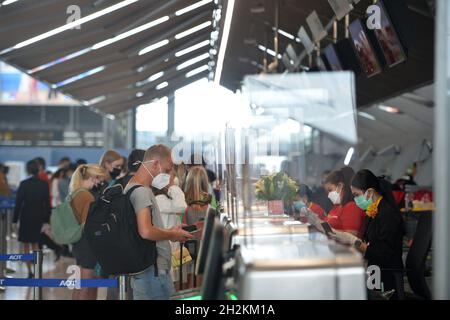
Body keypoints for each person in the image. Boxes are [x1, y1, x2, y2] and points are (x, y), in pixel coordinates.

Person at [124, 144, 193, 300]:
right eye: (167, 170)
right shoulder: (141, 191)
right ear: (154, 164)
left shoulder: (136, 187)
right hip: (152, 272)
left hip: (152, 271)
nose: (170, 176)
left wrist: (170, 231)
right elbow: (146, 231)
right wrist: (172, 233)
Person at [329, 169, 404, 299]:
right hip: (375, 268)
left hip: (386, 272)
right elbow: (371, 242)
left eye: (357, 195)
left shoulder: (388, 215)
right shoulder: (373, 211)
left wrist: (355, 242)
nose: (355, 199)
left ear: (369, 192)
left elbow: (383, 254)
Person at [69, 164, 108, 300]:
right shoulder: (87, 196)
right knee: (85, 285)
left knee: (81, 285)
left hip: (80, 243)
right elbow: (88, 224)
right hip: (87, 244)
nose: (100, 182)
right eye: (98, 179)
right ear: (92, 177)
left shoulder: (78, 192)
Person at [13, 160, 51, 278]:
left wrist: (14, 220)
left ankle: (29, 270)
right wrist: (46, 221)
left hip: (26, 216)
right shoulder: (44, 184)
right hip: (38, 217)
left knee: (26, 244)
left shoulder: (24, 184)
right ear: (38, 170)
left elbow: (18, 203)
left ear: (28, 170)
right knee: (35, 243)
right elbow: (47, 205)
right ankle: (37, 270)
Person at [152, 169, 188, 289]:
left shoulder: (163, 198)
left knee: (174, 279)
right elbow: (181, 206)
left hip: (171, 244)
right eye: (171, 177)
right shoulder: (160, 199)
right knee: (171, 281)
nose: (174, 180)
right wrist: (173, 187)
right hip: (167, 245)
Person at [321, 169, 365, 237]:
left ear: (340, 186)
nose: (328, 195)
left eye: (330, 190)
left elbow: (351, 237)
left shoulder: (352, 207)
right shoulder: (336, 207)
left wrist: (327, 231)